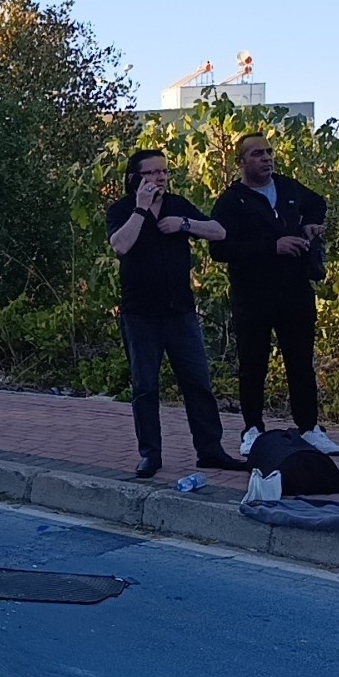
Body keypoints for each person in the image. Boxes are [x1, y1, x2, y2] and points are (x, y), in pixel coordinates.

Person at [108, 149, 247, 478]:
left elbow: (219, 231)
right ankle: (150, 454)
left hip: (180, 311)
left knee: (198, 382)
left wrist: (185, 224)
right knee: (146, 386)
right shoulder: (122, 209)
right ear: (135, 179)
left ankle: (210, 449)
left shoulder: (177, 205)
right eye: (152, 174)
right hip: (140, 314)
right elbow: (120, 245)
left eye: (164, 173)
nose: (160, 179)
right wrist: (141, 211)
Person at [210, 133, 339, 458]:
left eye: (269, 152)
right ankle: (252, 429)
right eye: (257, 154)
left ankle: (309, 428)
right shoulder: (231, 201)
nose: (266, 158)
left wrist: (311, 225)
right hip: (252, 295)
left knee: (300, 363)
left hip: (295, 291)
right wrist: (273, 247)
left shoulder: (288, 187)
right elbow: (219, 248)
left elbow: (318, 203)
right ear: (241, 162)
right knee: (253, 364)